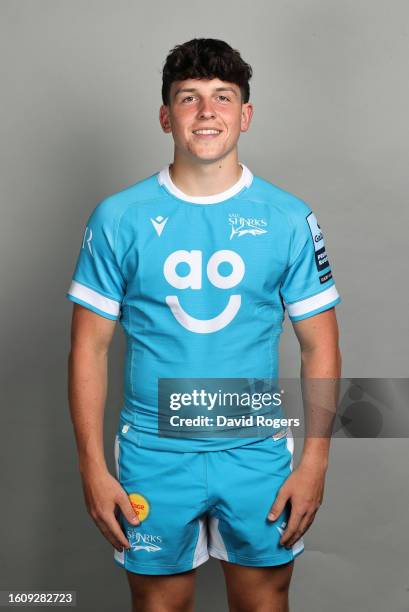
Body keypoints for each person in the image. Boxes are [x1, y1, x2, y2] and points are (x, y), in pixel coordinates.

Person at [66, 38, 342, 612]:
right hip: (152, 450)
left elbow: (320, 346)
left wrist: (314, 460)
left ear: (245, 115)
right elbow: (88, 348)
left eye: (222, 97)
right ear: (166, 116)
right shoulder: (119, 217)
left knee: (263, 601)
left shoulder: (289, 218)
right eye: (188, 98)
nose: (206, 111)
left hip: (255, 449)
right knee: (158, 605)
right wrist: (92, 466)